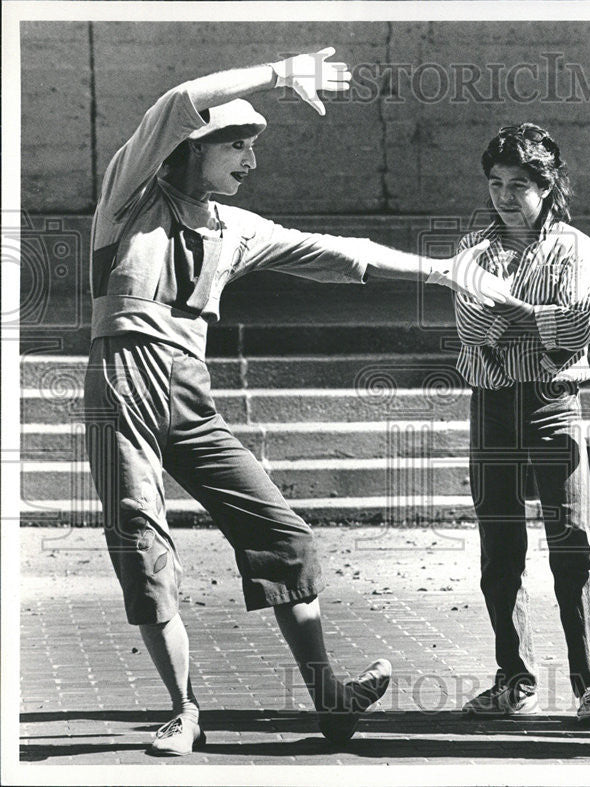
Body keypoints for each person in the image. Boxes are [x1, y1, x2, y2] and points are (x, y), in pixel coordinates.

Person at [83, 48, 509, 756]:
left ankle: (331, 697)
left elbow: (340, 249)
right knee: (142, 539)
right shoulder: (128, 197)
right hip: (123, 375)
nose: (250, 157)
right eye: (236, 143)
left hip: (189, 388)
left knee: (283, 536)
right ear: (193, 146)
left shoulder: (235, 228)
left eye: (254, 144)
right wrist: (279, 75)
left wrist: (441, 271)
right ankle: (184, 709)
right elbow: (179, 97)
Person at [452, 123, 590, 726]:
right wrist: (545, 319)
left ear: (549, 186)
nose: (503, 196)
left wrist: (523, 319)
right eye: (495, 183)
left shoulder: (575, 246)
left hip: (554, 402)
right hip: (492, 405)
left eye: (519, 184)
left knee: (572, 543)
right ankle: (512, 677)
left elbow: (571, 336)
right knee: (501, 548)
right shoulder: (473, 249)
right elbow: (474, 332)